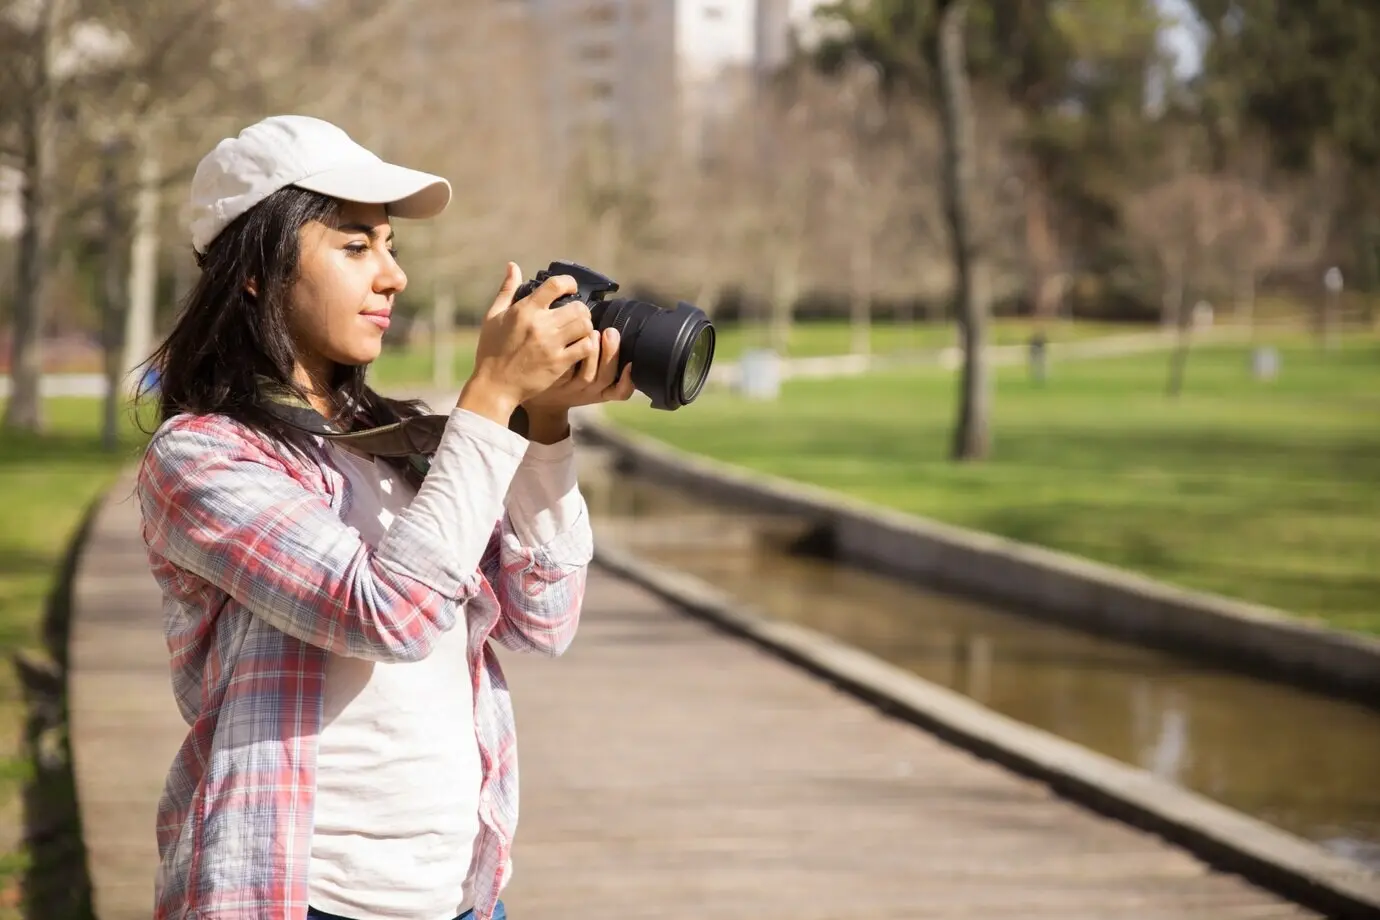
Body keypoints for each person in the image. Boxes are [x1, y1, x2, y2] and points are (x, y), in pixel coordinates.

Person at [135, 114, 635, 920]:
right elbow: (386, 613)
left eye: (391, 247)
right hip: (296, 898)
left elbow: (545, 619)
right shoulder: (201, 458)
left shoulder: (399, 447)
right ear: (257, 270)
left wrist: (543, 427)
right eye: (356, 246)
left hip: (461, 898)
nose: (392, 276)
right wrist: (492, 397)